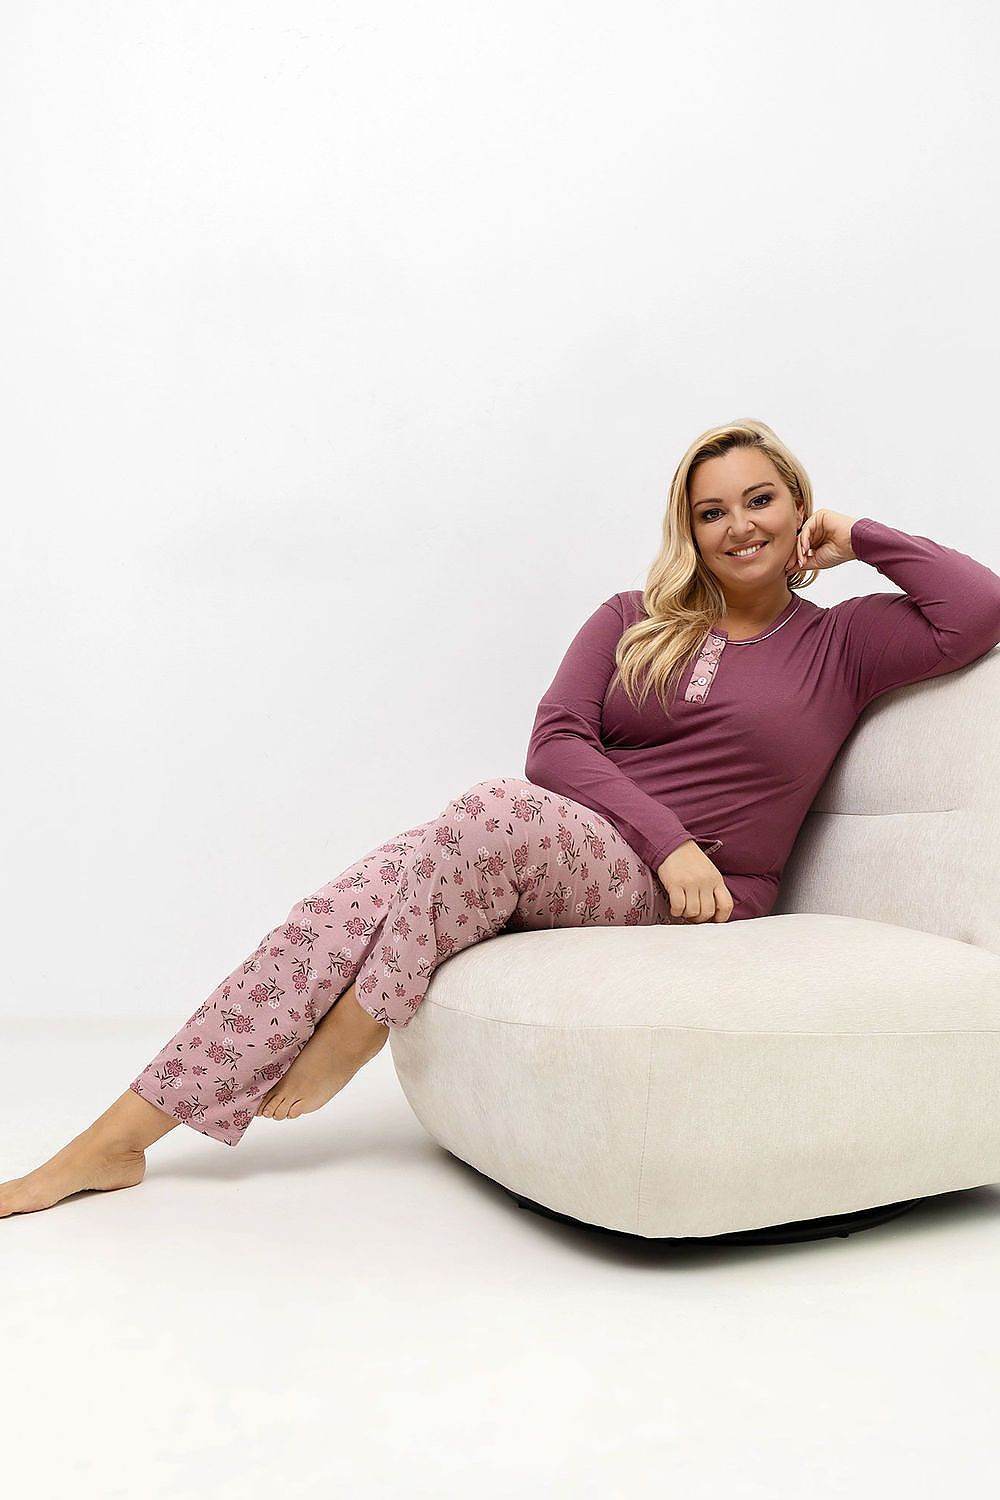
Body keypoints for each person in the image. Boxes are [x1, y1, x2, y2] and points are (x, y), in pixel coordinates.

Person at [4, 416, 1000, 1218]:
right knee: (336, 910)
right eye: (710, 512)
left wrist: (862, 536)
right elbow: (556, 744)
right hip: (587, 855)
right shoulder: (631, 621)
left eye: (760, 500)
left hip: (698, 902)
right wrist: (670, 838)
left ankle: (363, 1023)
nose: (738, 525)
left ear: (796, 508)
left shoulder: (846, 644)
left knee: (483, 813)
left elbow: (978, 609)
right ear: (685, 531)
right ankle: (116, 1142)